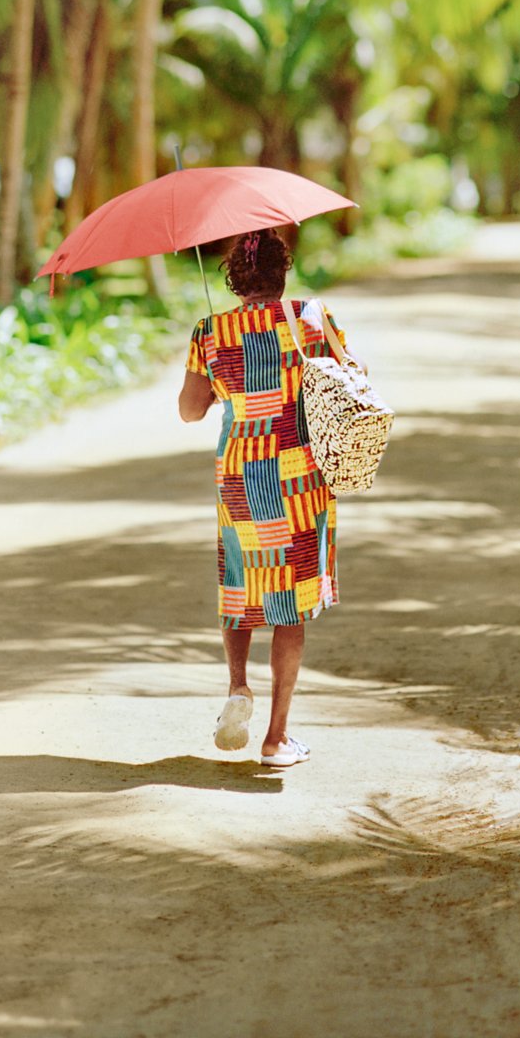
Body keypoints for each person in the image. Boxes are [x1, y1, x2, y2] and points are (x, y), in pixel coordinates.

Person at [179, 224, 347, 768]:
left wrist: (220, 373)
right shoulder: (311, 319)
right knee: (288, 603)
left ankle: (236, 686)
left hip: (241, 476)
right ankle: (276, 738)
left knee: (240, 584)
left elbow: (189, 409)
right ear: (282, 271)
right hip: (297, 476)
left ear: (234, 277)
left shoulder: (210, 331)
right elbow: (351, 379)